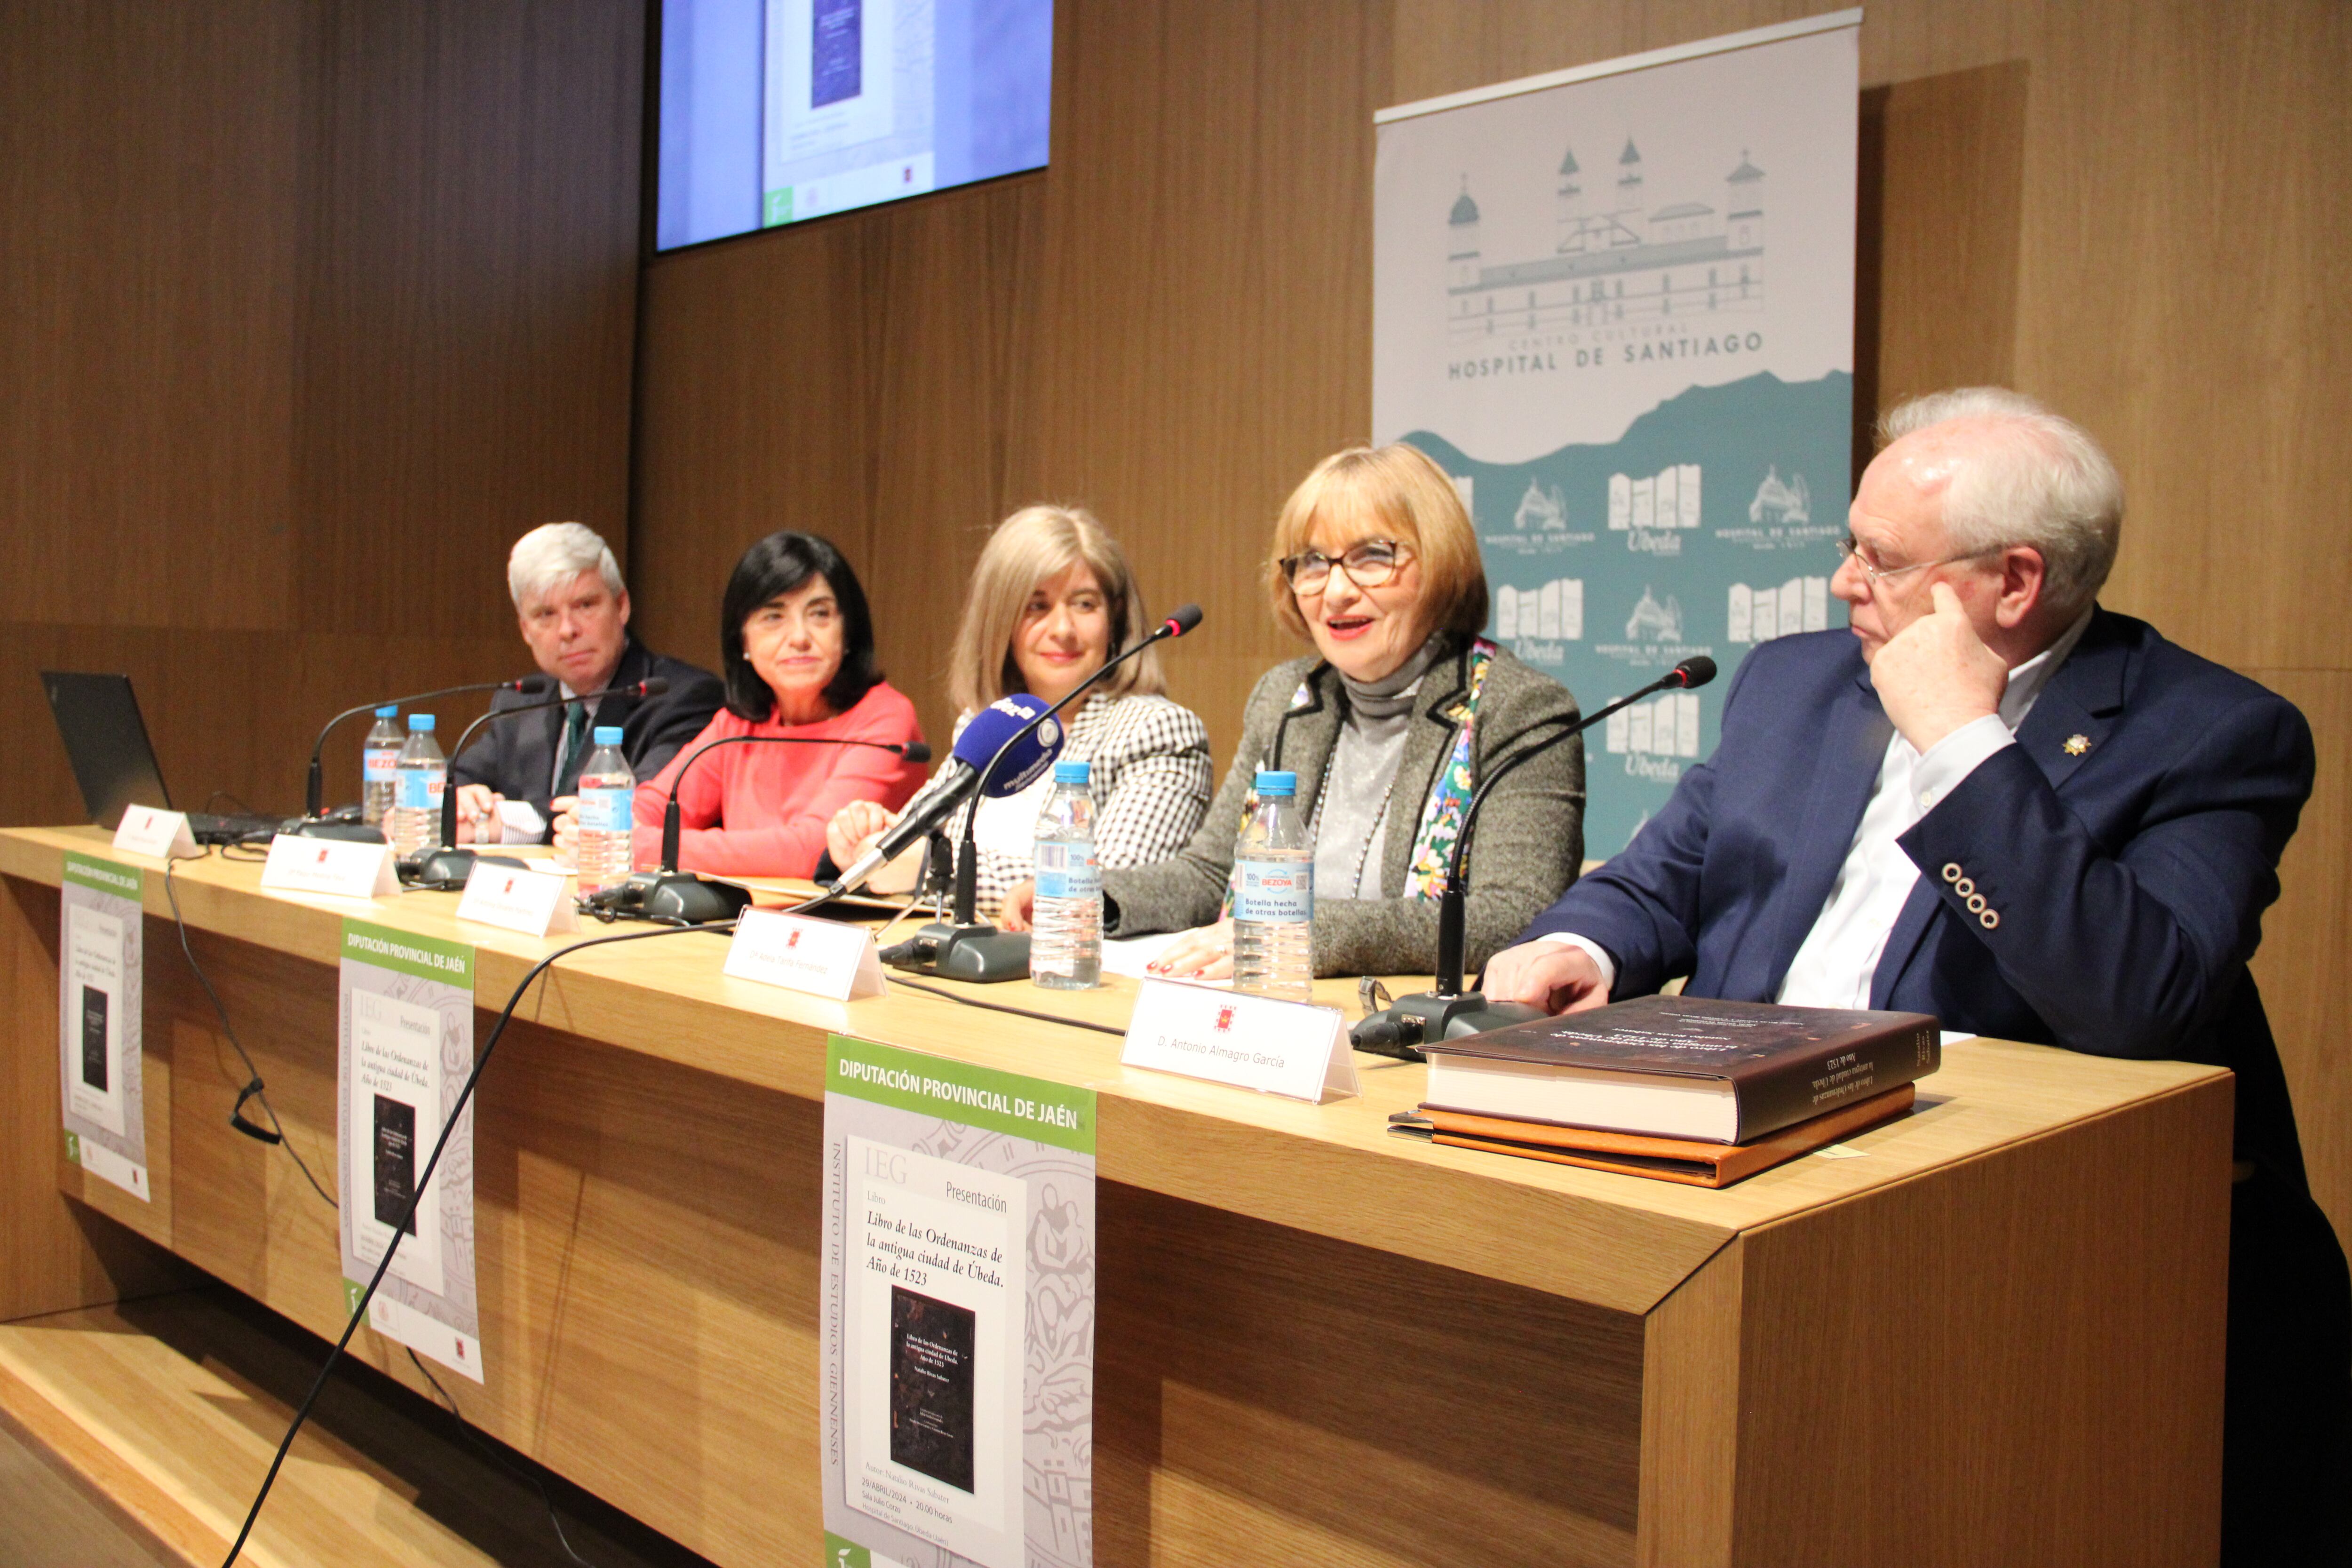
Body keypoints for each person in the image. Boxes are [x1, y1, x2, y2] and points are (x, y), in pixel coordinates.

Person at [1481, 388, 2349, 1563]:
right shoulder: (1795, 682)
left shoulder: (2209, 732)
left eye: (1880, 561)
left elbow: (2137, 999)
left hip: (2014, 1266)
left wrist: (1962, 745)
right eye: (1850, 544)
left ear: (2013, 582)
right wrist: (1577, 946)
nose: (1844, 582)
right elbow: (1665, 878)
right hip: (1739, 1184)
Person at [1072, 443, 1583, 979]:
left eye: (1372, 556)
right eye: (1313, 562)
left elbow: (1511, 919)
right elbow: (1210, 872)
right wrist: (1088, 898)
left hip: (1404, 1035)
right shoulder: (1287, 696)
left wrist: (1307, 934)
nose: (1335, 591)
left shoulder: (1517, 708)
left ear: (1439, 563)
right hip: (1261, 1006)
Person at [823, 505, 1212, 917]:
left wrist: (930, 870)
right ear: (1000, 621)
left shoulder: (1156, 730)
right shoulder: (987, 724)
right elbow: (912, 844)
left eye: (1084, 604)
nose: (1062, 629)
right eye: (1036, 606)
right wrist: (869, 837)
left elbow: (1111, 882)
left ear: (1114, 616)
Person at [554, 531, 923, 878]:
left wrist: (642, 845)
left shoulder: (886, 720)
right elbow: (655, 804)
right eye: (774, 617)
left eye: (820, 614)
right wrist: (601, 825)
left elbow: (814, 848)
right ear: (742, 640)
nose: (799, 637)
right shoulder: (739, 723)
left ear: (849, 633)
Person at [450, 522, 723, 843]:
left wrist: (502, 822)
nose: (567, 630)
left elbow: (625, 810)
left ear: (621, 606)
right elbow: (454, 780)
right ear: (525, 629)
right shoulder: (519, 702)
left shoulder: (683, 698)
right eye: (545, 614)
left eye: (585, 605)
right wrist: (463, 802)